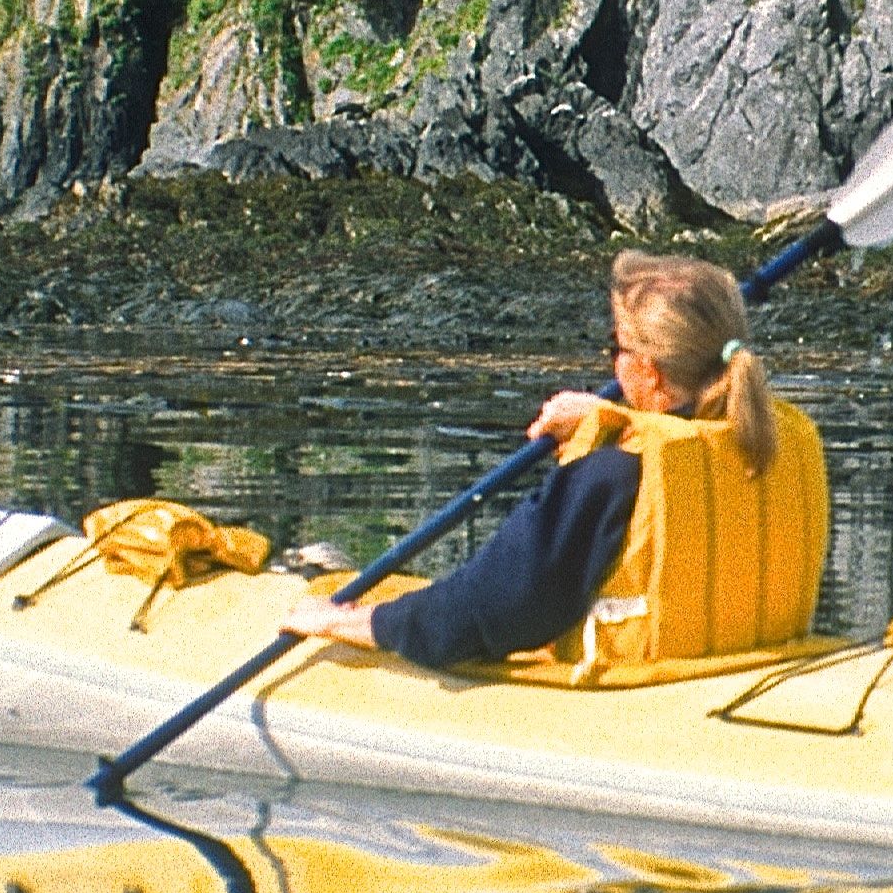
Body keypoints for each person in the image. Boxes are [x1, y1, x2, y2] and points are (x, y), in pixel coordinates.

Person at [281, 250, 828, 679]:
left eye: (615, 347)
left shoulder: (611, 475)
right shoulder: (781, 436)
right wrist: (609, 417)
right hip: (748, 664)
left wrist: (357, 621)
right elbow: (687, 432)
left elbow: (486, 611)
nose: (611, 362)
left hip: (638, 690)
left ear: (650, 374)